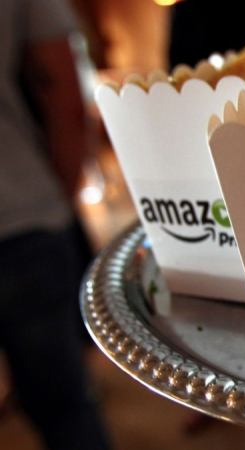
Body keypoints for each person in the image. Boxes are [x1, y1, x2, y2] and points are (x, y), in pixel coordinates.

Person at [0, 0, 110, 448]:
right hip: (20, 212)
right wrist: (62, 194)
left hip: (20, 217)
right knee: (64, 407)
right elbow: (62, 83)